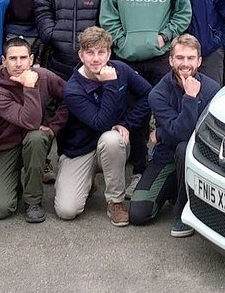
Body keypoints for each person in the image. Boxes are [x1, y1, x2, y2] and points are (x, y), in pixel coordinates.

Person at [100, 0, 192, 185]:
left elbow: (183, 13)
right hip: (127, 59)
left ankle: (165, 172)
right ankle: (139, 169)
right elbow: (107, 15)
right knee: (134, 117)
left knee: (165, 114)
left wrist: (165, 36)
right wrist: (121, 41)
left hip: (160, 57)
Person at [55, 27, 152, 226]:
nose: (96, 59)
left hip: (109, 146)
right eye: (90, 53)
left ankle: (115, 202)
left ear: (109, 53)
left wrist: (126, 123)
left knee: (112, 138)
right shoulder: (73, 89)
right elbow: (102, 122)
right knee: (67, 210)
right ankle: (86, 181)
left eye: (101, 52)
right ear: (81, 55)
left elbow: (149, 95)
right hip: (80, 150)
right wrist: (110, 84)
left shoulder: (121, 69)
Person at [130, 34, 219, 236]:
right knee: (138, 213)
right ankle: (174, 188)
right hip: (165, 157)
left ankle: (183, 209)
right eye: (179, 58)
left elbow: (199, 134)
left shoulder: (213, 89)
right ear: (171, 60)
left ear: (199, 61)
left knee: (184, 148)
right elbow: (181, 133)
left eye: (190, 58)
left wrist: (162, 132)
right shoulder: (158, 94)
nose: (185, 64)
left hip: (199, 158)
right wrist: (190, 97)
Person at [0, 37, 68, 223]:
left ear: (31, 59)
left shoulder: (45, 76)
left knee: (36, 137)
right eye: (13, 58)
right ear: (3, 60)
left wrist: (54, 127)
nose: (19, 63)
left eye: (23, 58)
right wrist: (29, 86)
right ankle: (11, 182)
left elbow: (70, 97)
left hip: (34, 142)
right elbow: (28, 121)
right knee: (0, 208)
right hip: (5, 147)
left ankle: (33, 201)